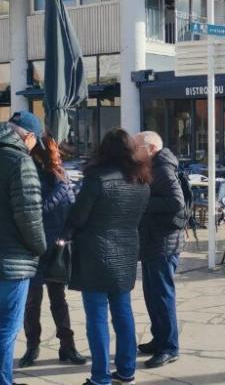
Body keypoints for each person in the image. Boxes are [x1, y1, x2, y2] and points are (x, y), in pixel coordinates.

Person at [66, 129, 151, 385]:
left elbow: (77, 217)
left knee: (97, 318)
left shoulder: (97, 178)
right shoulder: (141, 181)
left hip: (95, 253)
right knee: (123, 312)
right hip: (126, 252)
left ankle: (100, 376)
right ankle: (126, 371)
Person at [19, 135, 86, 368]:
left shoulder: (60, 174)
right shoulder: (29, 171)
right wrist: (61, 189)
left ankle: (67, 346)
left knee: (59, 300)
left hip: (55, 246)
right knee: (32, 301)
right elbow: (37, 208)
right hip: (34, 247)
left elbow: (70, 207)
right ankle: (32, 346)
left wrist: (67, 235)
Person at [0, 112, 46, 385]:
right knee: (6, 329)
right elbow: (29, 216)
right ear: (27, 136)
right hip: (12, 261)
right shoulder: (19, 161)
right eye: (34, 141)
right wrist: (40, 248)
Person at [134, 131, 185, 369]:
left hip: (164, 242)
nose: (134, 151)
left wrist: (143, 200)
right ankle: (160, 339)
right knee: (152, 294)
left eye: (137, 147)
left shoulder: (162, 168)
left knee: (163, 296)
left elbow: (176, 202)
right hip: (154, 240)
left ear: (151, 148)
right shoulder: (155, 165)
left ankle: (169, 347)